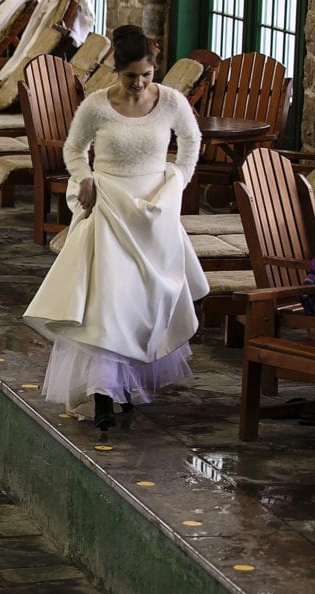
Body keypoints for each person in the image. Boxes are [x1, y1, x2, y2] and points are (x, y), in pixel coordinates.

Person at [23, 24, 208, 436]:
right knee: (106, 302)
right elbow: (73, 148)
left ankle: (125, 386)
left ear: (154, 68)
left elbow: (193, 142)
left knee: (141, 300)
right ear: (116, 71)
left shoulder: (172, 102)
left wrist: (177, 177)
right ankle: (102, 393)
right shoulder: (96, 106)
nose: (140, 84)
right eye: (131, 76)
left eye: (146, 74)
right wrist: (83, 178)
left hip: (153, 211)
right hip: (107, 205)